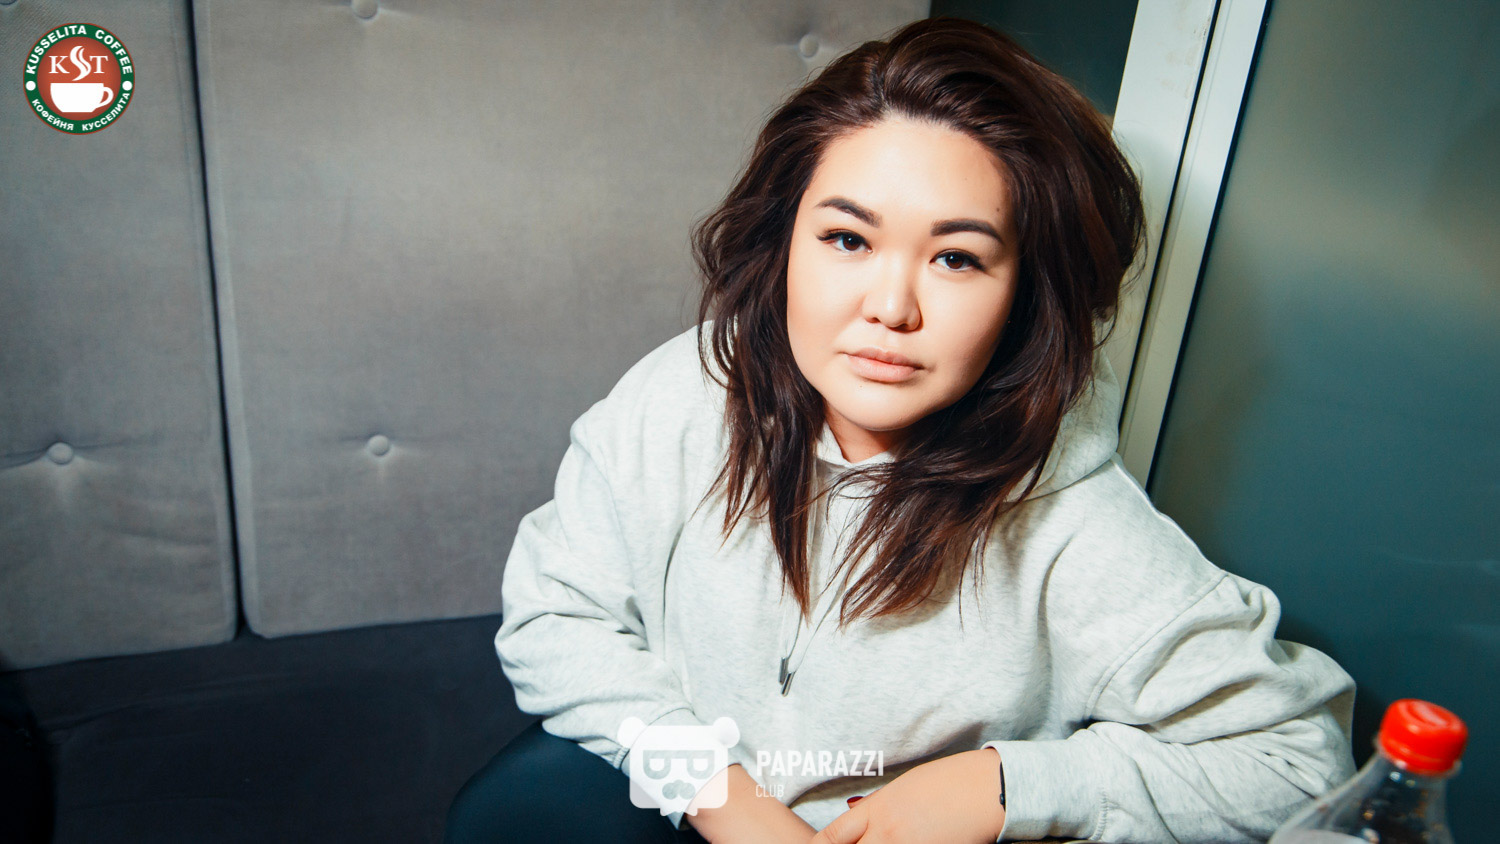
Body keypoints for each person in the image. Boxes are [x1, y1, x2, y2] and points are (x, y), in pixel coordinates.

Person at [445, 16, 1357, 844]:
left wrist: (1002, 787)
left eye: (957, 258)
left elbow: (1296, 760)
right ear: (784, 240)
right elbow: (559, 615)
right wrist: (720, 795)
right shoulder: (692, 388)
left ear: (1025, 295)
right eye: (848, 239)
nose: (890, 307)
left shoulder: (1073, 523)